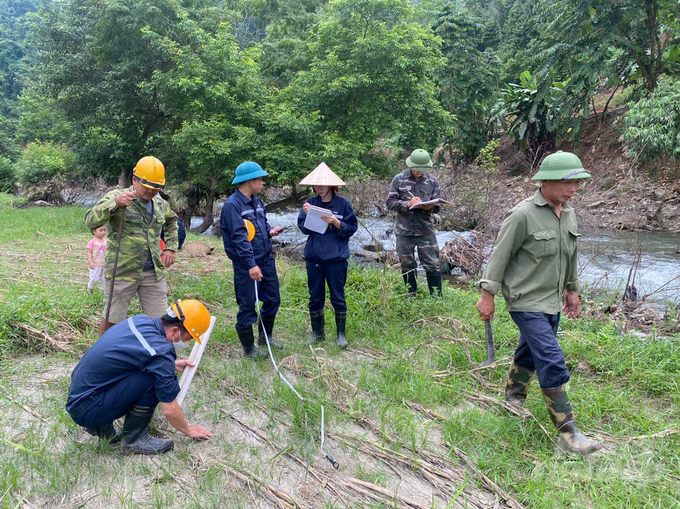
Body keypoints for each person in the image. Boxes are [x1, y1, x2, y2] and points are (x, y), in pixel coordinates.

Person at [475, 150, 602, 455]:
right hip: (525, 300)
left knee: (531, 350)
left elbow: (570, 256)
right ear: (544, 181)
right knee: (551, 357)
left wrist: (573, 289)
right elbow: (499, 256)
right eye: (567, 182)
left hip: (551, 300)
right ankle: (569, 433)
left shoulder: (568, 213)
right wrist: (487, 294)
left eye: (578, 183)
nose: (574, 189)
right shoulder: (522, 215)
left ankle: (513, 398)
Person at [65, 299, 213, 455]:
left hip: (80, 397)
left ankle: (101, 425)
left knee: (151, 372)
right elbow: (169, 409)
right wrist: (188, 430)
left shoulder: (140, 321)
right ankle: (134, 440)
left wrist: (170, 365)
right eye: (188, 339)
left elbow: (131, 358)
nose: (186, 343)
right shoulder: (160, 351)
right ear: (175, 331)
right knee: (151, 379)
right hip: (87, 407)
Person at [84, 156, 178, 337]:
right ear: (135, 179)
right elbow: (90, 220)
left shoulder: (160, 204)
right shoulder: (116, 197)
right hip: (122, 272)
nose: (152, 191)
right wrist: (115, 204)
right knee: (112, 319)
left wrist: (170, 248)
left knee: (161, 322)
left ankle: (157, 358)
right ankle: (104, 357)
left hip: (153, 274)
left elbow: (173, 221)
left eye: (156, 188)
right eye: (148, 187)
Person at [220, 162, 283, 358]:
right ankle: (250, 350)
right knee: (247, 305)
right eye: (260, 179)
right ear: (249, 181)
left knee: (273, 299)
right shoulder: (232, 206)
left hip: (266, 260)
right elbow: (239, 238)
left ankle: (266, 338)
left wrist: (269, 231)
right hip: (247, 265)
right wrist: (251, 265)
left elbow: (259, 225)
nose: (263, 182)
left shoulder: (257, 202)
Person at [297, 163, 358, 348]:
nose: (319, 188)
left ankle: (341, 335)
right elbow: (303, 228)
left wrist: (335, 222)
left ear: (332, 186)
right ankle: (318, 334)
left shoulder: (343, 204)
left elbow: (352, 228)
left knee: (337, 296)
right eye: (316, 185)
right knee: (315, 296)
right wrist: (308, 215)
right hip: (314, 256)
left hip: (336, 258)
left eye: (323, 185)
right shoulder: (310, 203)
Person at [386, 149, 443, 298]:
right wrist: (407, 203)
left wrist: (431, 207)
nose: (419, 172)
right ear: (411, 165)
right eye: (417, 169)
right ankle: (411, 295)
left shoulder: (432, 181)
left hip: (425, 230)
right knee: (407, 263)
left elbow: (438, 205)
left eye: (422, 169)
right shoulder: (399, 179)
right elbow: (390, 203)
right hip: (404, 231)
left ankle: (436, 297)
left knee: (432, 263)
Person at [87, 225, 107, 293]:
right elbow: (89, 252)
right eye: (101, 230)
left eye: (104, 230)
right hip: (96, 264)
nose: (103, 232)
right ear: (94, 231)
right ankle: (90, 288)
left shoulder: (106, 241)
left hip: (105, 264)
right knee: (94, 278)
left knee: (105, 278)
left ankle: (105, 290)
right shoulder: (92, 242)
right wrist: (90, 262)